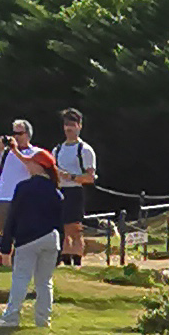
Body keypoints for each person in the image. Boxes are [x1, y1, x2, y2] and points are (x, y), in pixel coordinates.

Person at [0, 136, 68, 331]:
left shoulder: (23, 188)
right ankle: (43, 321)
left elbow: (12, 218)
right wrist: (60, 251)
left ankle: (11, 316)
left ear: (38, 166)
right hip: (51, 239)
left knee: (20, 278)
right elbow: (60, 224)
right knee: (44, 282)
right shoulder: (56, 192)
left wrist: (5, 245)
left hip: (28, 239)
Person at [53, 105, 101, 266]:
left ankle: (77, 259)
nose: (69, 128)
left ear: (79, 126)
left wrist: (72, 177)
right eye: (66, 124)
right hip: (60, 191)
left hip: (75, 191)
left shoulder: (85, 150)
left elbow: (90, 177)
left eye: (72, 125)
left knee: (74, 227)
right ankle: (65, 258)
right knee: (62, 227)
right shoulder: (57, 150)